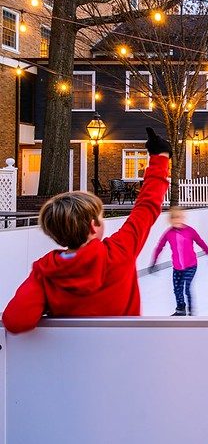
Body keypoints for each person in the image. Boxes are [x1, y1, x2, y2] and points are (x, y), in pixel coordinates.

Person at [2, 127, 171, 333]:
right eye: (100, 217)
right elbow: (147, 206)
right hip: (124, 352)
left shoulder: (46, 271)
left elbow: (16, 320)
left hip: (74, 361)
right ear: (93, 226)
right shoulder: (119, 250)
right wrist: (160, 157)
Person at [150, 207, 208, 316]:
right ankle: (181, 309)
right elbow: (160, 246)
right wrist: (154, 261)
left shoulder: (190, 231)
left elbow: (200, 242)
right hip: (177, 267)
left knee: (187, 288)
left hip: (191, 265)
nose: (177, 220)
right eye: (174, 219)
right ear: (170, 220)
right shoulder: (168, 233)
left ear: (182, 218)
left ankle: (191, 311)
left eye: (179, 218)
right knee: (177, 289)